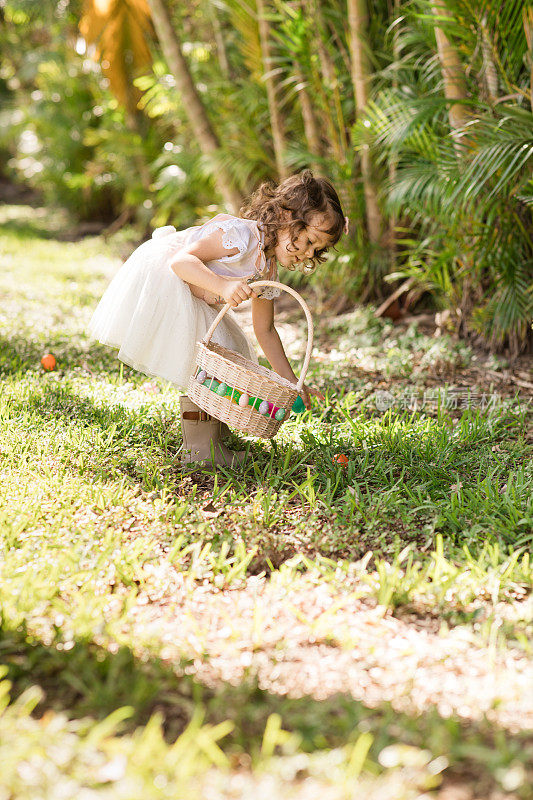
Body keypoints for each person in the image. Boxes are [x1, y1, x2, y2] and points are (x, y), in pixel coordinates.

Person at [89, 169, 347, 467]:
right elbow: (181, 261)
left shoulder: (268, 269)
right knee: (205, 358)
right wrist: (222, 286)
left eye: (317, 249)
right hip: (166, 280)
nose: (308, 253)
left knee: (227, 354)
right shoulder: (242, 236)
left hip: (192, 292)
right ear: (288, 217)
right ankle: (200, 449)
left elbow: (265, 329)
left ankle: (210, 435)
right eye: (308, 240)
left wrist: (291, 382)